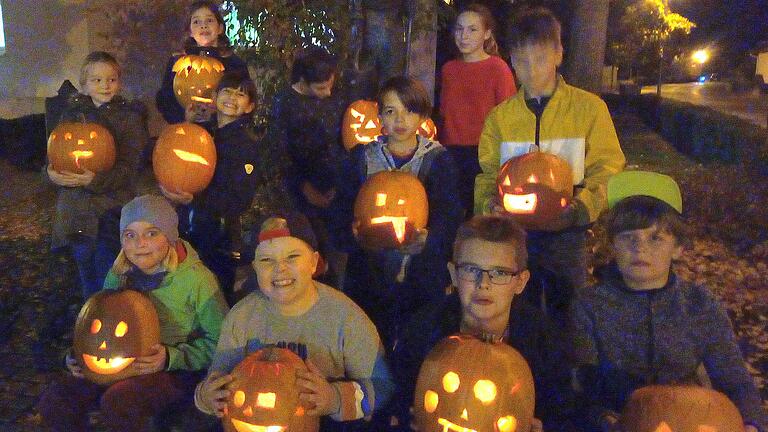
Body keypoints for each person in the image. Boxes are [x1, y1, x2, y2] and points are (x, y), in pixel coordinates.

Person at [570, 174, 768, 432]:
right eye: (628, 238)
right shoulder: (590, 306)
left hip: (689, 418)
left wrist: (752, 423)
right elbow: (582, 386)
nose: (639, 249)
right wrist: (603, 420)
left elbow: (734, 379)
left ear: (677, 247)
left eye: (655, 238)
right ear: (612, 245)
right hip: (619, 420)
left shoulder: (698, 305)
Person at [473, 7, 625, 325]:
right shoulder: (500, 118)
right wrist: (489, 205)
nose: (532, 71)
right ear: (512, 60)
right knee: (517, 312)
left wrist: (581, 209)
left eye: (540, 59)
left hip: (567, 235)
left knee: (569, 310)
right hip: (515, 235)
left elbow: (608, 166)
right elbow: (487, 173)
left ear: (558, 54)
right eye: (522, 62)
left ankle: (568, 370)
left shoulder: (589, 109)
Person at [37, 194, 229, 432]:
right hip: (118, 361)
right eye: (130, 235)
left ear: (169, 236)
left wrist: (171, 358)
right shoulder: (119, 274)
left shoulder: (196, 280)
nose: (140, 243)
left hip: (174, 371)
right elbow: (99, 319)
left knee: (121, 401)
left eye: (152, 233)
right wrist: (77, 355)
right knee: (57, 399)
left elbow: (222, 341)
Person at [194, 214, 393, 430]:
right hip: (252, 419)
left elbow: (381, 387)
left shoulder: (346, 318)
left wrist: (335, 399)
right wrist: (206, 396)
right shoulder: (242, 317)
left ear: (314, 262)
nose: (280, 268)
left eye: (292, 257)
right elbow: (218, 379)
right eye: (267, 260)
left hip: (326, 422)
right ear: (255, 267)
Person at [392, 215, 577, 431]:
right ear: (453, 274)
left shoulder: (545, 342)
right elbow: (398, 398)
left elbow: (566, 412)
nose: (484, 284)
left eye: (500, 273)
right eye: (472, 270)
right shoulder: (423, 331)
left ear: (520, 282)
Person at [331, 76, 463, 349]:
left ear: (423, 117)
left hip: (421, 276)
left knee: (416, 344)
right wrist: (351, 232)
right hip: (369, 274)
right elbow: (340, 209)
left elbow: (450, 216)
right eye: (391, 112)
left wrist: (431, 239)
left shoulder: (438, 161)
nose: (400, 120)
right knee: (369, 344)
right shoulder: (361, 158)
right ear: (379, 116)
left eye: (409, 111)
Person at [44, 51, 149, 298]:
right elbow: (53, 155)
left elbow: (130, 168)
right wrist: (50, 175)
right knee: (84, 268)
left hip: (108, 210)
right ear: (84, 85)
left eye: (111, 79)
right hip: (75, 210)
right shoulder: (69, 116)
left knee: (109, 269)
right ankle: (90, 317)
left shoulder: (129, 119)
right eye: (97, 80)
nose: (105, 85)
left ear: (119, 82)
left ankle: (113, 318)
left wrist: (96, 180)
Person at [161, 71, 265, 304]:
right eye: (227, 91)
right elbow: (173, 156)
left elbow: (240, 199)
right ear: (215, 96)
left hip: (219, 235)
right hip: (187, 226)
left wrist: (196, 201)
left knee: (213, 296)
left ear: (249, 107)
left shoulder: (245, 146)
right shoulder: (202, 132)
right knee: (184, 290)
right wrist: (186, 124)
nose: (232, 98)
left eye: (241, 95)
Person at [271, 46, 350, 288]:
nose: (328, 93)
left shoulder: (335, 98)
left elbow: (346, 137)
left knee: (340, 251)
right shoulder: (286, 103)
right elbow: (281, 155)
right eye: (320, 88)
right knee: (313, 251)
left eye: (330, 85)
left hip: (336, 184)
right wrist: (306, 191)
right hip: (303, 189)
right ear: (303, 81)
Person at [439, 3, 516, 218]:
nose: (464, 36)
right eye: (459, 29)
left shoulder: (498, 69)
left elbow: (507, 114)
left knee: (479, 213)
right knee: (450, 213)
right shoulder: (449, 69)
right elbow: (445, 112)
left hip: (483, 153)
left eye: (472, 29)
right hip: (450, 151)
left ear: (486, 33)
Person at [155, 0, 249, 125]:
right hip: (187, 131)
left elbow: (244, 98)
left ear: (220, 28)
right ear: (190, 31)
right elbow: (166, 100)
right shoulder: (177, 62)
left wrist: (219, 113)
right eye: (196, 22)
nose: (203, 26)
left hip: (223, 132)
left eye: (209, 20)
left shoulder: (234, 64)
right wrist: (184, 118)